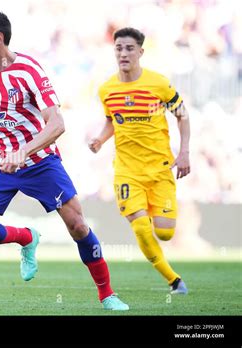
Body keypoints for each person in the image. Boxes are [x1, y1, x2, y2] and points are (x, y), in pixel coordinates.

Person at [0, 10, 129, 310]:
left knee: (78, 226)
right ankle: (27, 237)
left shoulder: (29, 71)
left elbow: (57, 124)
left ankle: (107, 294)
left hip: (40, 162)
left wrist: (23, 152)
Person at [89, 27, 190, 295]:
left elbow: (183, 115)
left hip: (159, 169)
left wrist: (184, 153)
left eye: (129, 48)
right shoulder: (107, 89)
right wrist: (100, 139)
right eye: (119, 48)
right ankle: (174, 280)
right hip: (127, 172)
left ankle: (170, 269)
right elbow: (113, 120)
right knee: (142, 228)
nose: (123, 53)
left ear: (140, 52)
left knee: (165, 232)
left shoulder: (159, 84)